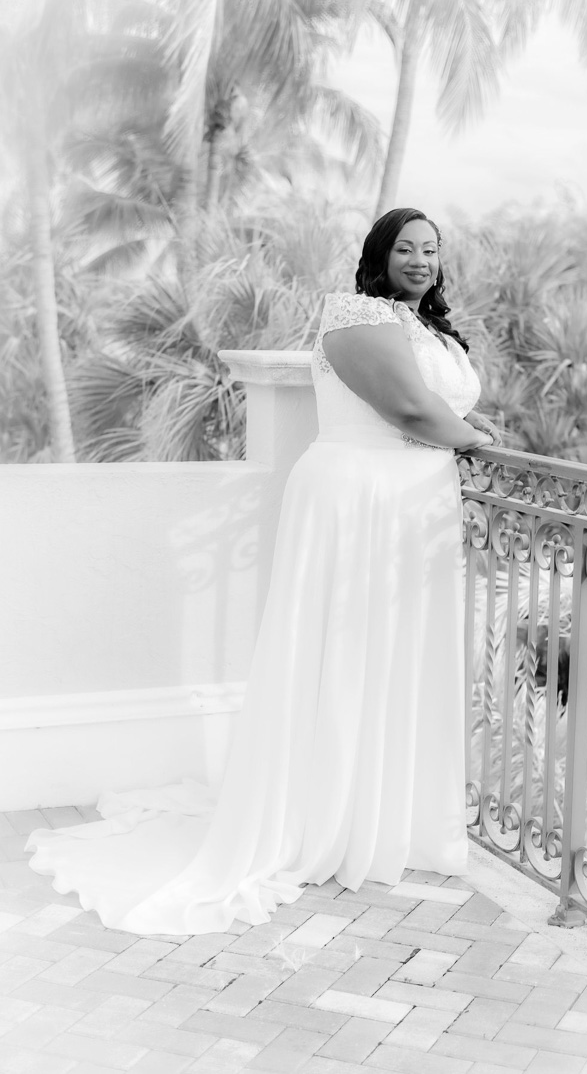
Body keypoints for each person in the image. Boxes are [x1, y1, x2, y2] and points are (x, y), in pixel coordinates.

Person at [25, 207, 501, 935]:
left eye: (432, 249)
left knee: (395, 658)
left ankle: (385, 816)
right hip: (360, 498)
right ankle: (331, 818)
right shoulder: (357, 313)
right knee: (345, 654)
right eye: (406, 247)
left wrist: (459, 440)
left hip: (413, 508)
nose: (421, 259)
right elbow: (406, 406)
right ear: (378, 254)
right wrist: (475, 438)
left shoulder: (425, 326)